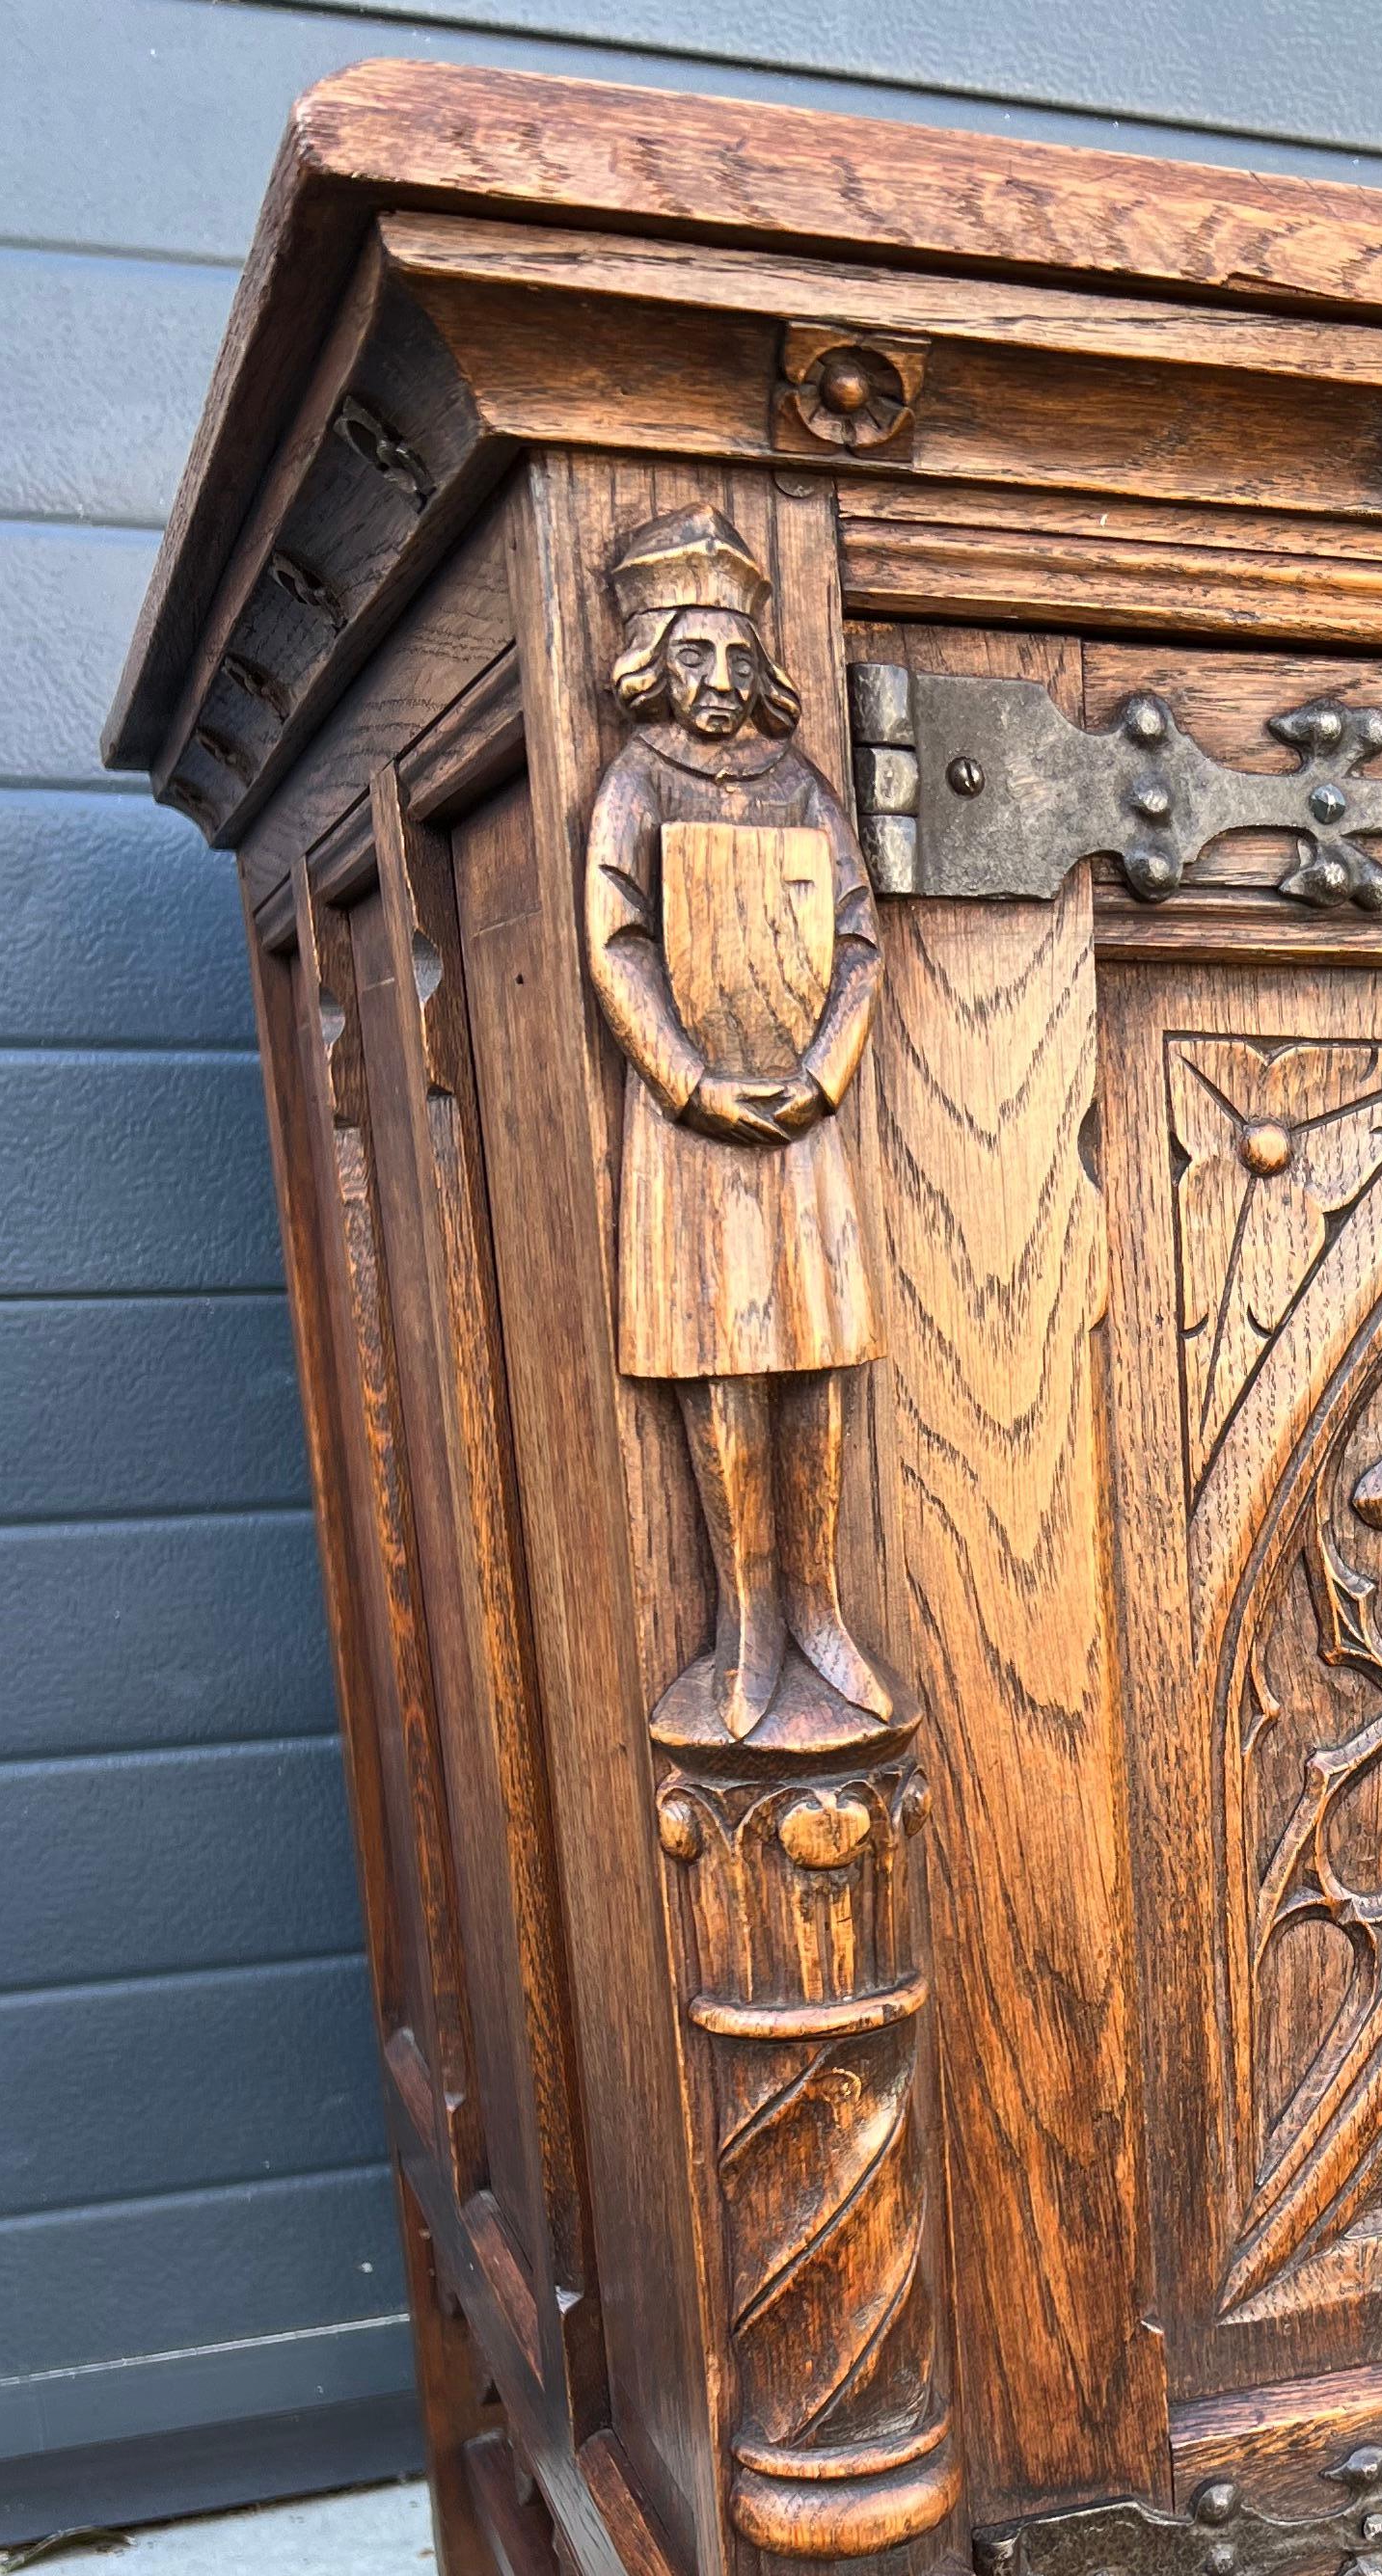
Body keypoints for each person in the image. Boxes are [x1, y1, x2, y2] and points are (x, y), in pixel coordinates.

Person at [584, 505, 893, 1745]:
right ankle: (747, 1621)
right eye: (692, 658)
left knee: (817, 1355)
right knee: (723, 1360)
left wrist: (825, 1071)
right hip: (693, 1128)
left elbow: (860, 936)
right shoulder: (634, 782)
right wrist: (691, 1083)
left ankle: (821, 1607)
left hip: (805, 1115)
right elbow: (620, 940)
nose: (716, 685)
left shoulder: (801, 786)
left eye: (733, 658)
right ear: (652, 662)